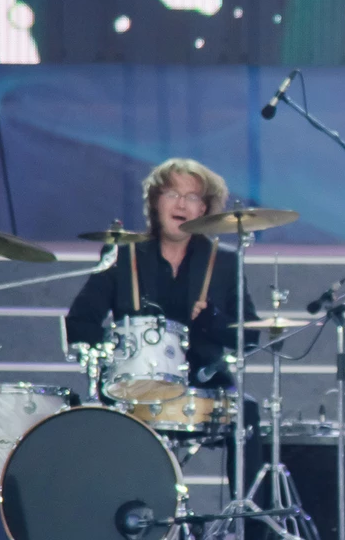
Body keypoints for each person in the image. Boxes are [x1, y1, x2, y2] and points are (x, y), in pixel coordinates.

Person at [66, 158, 260, 390]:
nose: (181, 204)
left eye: (192, 197)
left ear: (203, 209)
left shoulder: (223, 261)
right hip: (133, 388)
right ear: (155, 202)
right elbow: (79, 323)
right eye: (172, 194)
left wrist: (214, 320)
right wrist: (116, 347)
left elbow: (251, 336)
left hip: (203, 389)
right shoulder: (123, 254)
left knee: (247, 408)